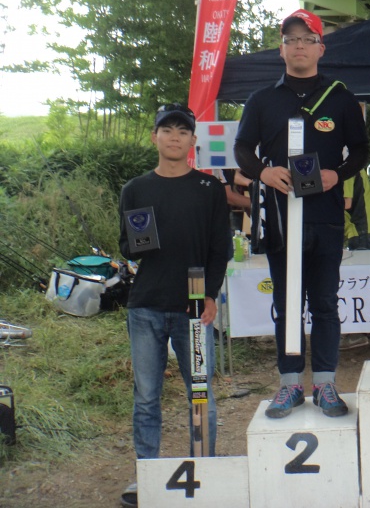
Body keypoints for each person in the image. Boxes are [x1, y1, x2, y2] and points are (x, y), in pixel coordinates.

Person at [234, 9, 369, 419]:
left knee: (325, 302)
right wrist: (264, 172)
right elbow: (242, 150)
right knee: (287, 303)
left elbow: (361, 151)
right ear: (281, 49)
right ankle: (289, 384)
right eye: (291, 40)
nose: (299, 47)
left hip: (326, 217)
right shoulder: (262, 100)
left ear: (320, 48)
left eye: (307, 40)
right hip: (280, 219)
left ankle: (326, 384)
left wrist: (336, 174)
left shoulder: (341, 97)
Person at [118, 103, 230, 507]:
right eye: (166, 130)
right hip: (145, 305)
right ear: (154, 137)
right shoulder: (135, 189)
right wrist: (137, 241)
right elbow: (127, 245)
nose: (174, 137)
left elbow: (222, 248)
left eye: (182, 131)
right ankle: (145, 473)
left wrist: (211, 295)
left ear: (192, 141)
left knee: (200, 393)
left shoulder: (208, 188)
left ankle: (206, 469)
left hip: (194, 308)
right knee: (146, 395)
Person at [339, 168, 370, 351]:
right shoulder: (351, 164)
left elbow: (346, 202)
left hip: (362, 229)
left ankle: (356, 333)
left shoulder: (345, 169)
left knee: (360, 282)